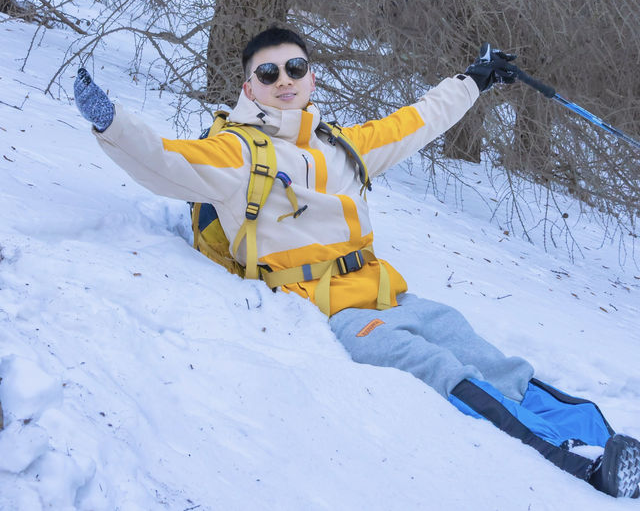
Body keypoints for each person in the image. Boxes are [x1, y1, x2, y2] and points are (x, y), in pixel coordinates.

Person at [74, 26, 640, 498]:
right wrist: (112, 124)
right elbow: (169, 161)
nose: (284, 81)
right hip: (333, 313)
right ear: (250, 85)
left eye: (294, 68)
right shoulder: (238, 152)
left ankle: (613, 443)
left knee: (498, 364)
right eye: (268, 74)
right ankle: (582, 466)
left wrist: (474, 79)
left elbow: (415, 122)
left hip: (392, 295)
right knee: (443, 371)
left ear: (311, 75)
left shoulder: (340, 145)